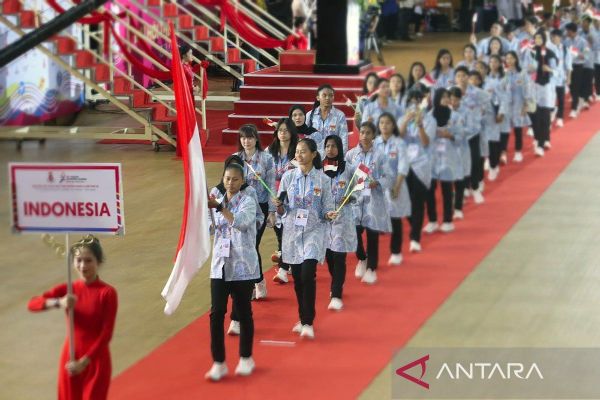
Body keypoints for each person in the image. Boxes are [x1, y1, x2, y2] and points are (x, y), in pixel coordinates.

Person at [28, 235, 118, 400]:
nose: (83, 266)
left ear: (98, 262)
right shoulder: (68, 289)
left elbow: (106, 334)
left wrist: (84, 362)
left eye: (88, 260)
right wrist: (58, 302)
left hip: (95, 361)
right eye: (78, 260)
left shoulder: (107, 293)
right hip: (70, 357)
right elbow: (32, 304)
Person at [275, 138, 337, 339]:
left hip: (314, 231)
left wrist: (329, 214)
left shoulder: (323, 180)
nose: (299, 155)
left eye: (303, 151)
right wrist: (279, 207)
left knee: (308, 274)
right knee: (298, 279)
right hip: (292, 233)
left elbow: (327, 207)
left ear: (314, 154)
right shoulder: (288, 178)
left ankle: (308, 321)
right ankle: (303, 318)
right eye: (297, 151)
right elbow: (282, 210)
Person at [206, 162, 260, 381]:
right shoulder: (216, 199)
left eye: (235, 179)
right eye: (227, 178)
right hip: (220, 265)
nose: (230, 183)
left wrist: (219, 208)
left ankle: (246, 357)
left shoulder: (248, 200)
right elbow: (209, 228)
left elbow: (242, 223)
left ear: (242, 181)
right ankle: (218, 362)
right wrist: (203, 213)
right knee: (216, 313)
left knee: (243, 311)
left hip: (242, 266)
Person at [347, 121, 393, 283]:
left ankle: (371, 268)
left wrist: (377, 182)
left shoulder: (381, 156)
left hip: (374, 200)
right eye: (362, 132)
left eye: (368, 133)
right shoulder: (351, 155)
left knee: (372, 234)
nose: (364, 136)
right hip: (356, 199)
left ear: (374, 135)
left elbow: (389, 177)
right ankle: (362, 257)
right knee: (354, 232)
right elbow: (345, 175)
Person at [234, 124, 276, 300]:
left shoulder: (267, 159)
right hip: (241, 209)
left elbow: (272, 185)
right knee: (245, 246)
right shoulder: (235, 158)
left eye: (250, 137)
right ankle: (255, 281)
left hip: (260, 208)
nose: (246, 141)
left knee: (252, 244)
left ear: (256, 139)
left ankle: (255, 283)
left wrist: (272, 211)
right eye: (243, 138)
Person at [398, 88, 436, 252]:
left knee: (418, 201)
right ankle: (416, 225)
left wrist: (420, 125)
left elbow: (426, 142)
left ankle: (415, 238)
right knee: (405, 201)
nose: (414, 105)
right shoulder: (402, 118)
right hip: (404, 165)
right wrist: (405, 122)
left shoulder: (430, 120)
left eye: (417, 101)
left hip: (421, 164)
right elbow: (398, 138)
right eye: (411, 101)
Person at [323, 135, 357, 310]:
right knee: (329, 256)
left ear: (340, 148)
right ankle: (337, 280)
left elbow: (358, 189)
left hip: (343, 219)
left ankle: (336, 293)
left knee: (338, 255)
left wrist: (351, 197)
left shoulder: (349, 169)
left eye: (334, 146)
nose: (330, 149)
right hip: (325, 219)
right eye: (327, 146)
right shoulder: (319, 169)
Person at [424, 88, 465, 233]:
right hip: (432, 158)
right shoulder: (428, 116)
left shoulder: (456, 116)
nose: (446, 99)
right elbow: (424, 137)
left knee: (447, 191)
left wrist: (450, 136)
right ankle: (433, 220)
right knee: (429, 191)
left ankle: (448, 220)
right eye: (442, 97)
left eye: (447, 97)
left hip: (448, 157)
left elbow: (461, 137)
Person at [374, 112, 411, 264]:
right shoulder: (374, 143)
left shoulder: (399, 143)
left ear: (393, 125)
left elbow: (403, 165)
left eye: (388, 122)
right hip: (377, 186)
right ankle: (371, 258)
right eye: (381, 122)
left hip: (395, 184)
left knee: (395, 218)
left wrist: (397, 186)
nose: (384, 125)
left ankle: (396, 252)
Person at [268, 118, 299, 283]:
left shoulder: (298, 151)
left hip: (292, 196)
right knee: (280, 231)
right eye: (280, 130)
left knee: (289, 232)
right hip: (274, 195)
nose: (283, 133)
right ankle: (289, 261)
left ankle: (283, 269)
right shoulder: (269, 151)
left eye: (286, 130)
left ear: (292, 132)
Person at [500, 51, 533, 163]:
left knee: (518, 130)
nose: (509, 60)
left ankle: (518, 152)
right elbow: (500, 88)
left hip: (518, 105)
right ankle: (503, 153)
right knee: (504, 131)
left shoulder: (522, 73)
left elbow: (527, 89)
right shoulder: (504, 72)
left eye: (511, 58)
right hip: (506, 106)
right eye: (507, 58)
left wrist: (526, 105)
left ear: (516, 59)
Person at [530, 29, 558, 157]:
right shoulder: (530, 52)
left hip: (546, 87)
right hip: (533, 86)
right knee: (535, 116)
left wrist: (549, 69)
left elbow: (557, 71)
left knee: (544, 116)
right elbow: (525, 67)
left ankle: (541, 144)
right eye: (536, 38)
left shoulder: (550, 53)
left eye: (540, 38)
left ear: (544, 40)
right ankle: (542, 138)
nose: (537, 40)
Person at [484, 55, 510, 180]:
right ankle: (490, 161)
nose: (493, 64)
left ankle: (496, 161)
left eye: (495, 62)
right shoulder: (485, 78)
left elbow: (506, 96)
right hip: (487, 112)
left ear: (500, 64)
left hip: (500, 110)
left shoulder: (504, 78)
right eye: (491, 62)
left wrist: (502, 111)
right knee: (489, 139)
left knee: (499, 138)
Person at [306, 84, 349, 153]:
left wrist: (341, 156)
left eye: (331, 95)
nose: (327, 98)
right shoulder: (309, 115)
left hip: (332, 155)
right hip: (313, 155)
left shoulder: (339, 116)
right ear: (318, 98)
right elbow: (305, 138)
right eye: (324, 95)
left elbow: (344, 139)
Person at [550, 28, 572, 128]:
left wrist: (569, 77)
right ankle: (551, 115)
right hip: (550, 79)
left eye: (555, 37)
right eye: (552, 37)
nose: (553, 38)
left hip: (560, 78)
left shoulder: (565, 49)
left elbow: (568, 65)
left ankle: (560, 118)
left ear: (560, 38)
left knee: (561, 99)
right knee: (550, 99)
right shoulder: (548, 48)